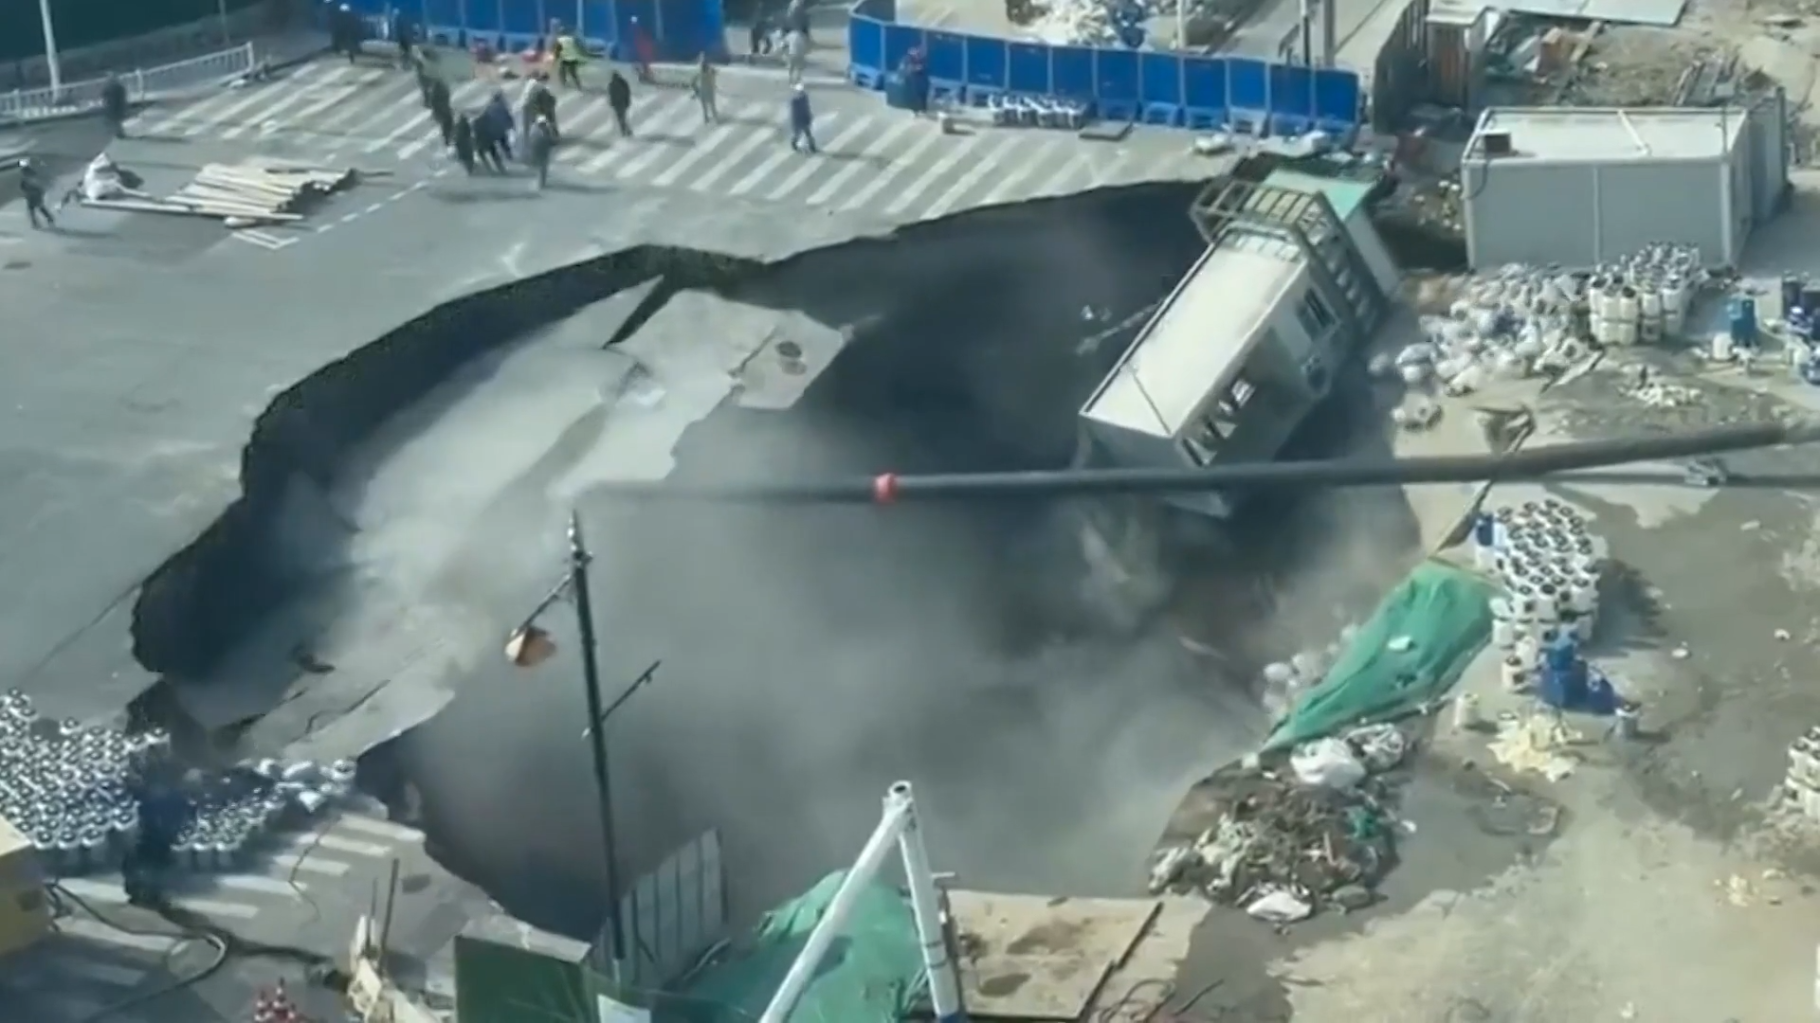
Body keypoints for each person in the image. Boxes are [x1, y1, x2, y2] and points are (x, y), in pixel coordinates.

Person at [18, 158, 53, 230]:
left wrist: (24, 192)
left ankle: (36, 223)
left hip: (31, 193)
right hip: (35, 193)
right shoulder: (33, 173)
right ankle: (49, 218)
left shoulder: (24, 174)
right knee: (39, 207)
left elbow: (23, 185)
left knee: (32, 209)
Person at [527, 114, 556, 189]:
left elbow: (530, 140)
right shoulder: (545, 130)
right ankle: (541, 182)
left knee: (541, 167)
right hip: (541, 150)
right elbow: (551, 140)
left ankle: (541, 182)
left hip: (540, 150)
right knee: (542, 167)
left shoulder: (534, 129)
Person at [788, 82, 816, 153]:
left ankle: (812, 147)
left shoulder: (804, 98)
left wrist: (809, 116)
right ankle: (794, 143)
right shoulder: (795, 101)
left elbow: (806, 108)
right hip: (799, 119)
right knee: (798, 134)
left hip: (804, 118)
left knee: (808, 134)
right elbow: (795, 112)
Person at [690, 54, 718, 124]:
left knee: (704, 106)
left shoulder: (700, 73)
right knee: (712, 105)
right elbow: (715, 73)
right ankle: (714, 117)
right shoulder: (710, 72)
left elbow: (693, 81)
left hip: (703, 91)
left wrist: (696, 90)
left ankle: (706, 118)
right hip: (709, 90)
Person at [428, 76, 454, 146]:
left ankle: (448, 138)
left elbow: (433, 102)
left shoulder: (436, 91)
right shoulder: (439, 90)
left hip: (443, 110)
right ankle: (448, 138)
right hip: (443, 110)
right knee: (447, 124)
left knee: (447, 125)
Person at [101, 73, 128, 138]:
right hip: (118, 105)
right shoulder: (119, 86)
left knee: (114, 120)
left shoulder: (107, 87)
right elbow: (123, 95)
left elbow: (104, 96)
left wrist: (105, 104)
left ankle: (117, 132)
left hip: (111, 105)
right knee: (117, 120)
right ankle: (119, 132)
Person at [607, 70, 633, 137]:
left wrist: (612, 102)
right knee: (621, 118)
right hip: (619, 103)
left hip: (620, 103)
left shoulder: (614, 84)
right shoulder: (621, 83)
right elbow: (611, 94)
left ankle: (625, 131)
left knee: (621, 118)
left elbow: (611, 94)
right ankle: (626, 130)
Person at [630, 18, 654, 83]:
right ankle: (645, 76)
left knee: (643, 65)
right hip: (640, 49)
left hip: (641, 49)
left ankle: (645, 76)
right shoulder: (635, 31)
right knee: (641, 65)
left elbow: (643, 41)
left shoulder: (638, 31)